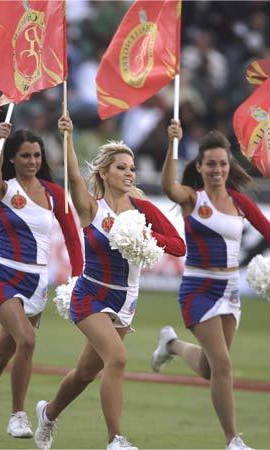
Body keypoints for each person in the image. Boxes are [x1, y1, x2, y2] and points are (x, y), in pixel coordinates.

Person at [33, 113, 186, 450]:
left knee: (86, 373)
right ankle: (115, 439)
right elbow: (73, 177)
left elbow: (178, 245)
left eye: (131, 168)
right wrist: (68, 137)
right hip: (90, 295)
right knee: (116, 358)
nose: (129, 173)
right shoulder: (92, 208)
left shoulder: (143, 209)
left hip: (125, 301)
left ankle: (48, 414)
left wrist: (147, 236)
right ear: (104, 173)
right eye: (121, 167)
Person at [0, 122, 83, 446]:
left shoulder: (54, 193)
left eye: (37, 155)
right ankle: (18, 415)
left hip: (37, 282)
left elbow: (72, 238)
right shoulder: (4, 188)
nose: (32, 161)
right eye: (25, 155)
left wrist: (78, 275)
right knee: (26, 341)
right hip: (4, 276)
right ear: (13, 158)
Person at [151, 119, 270, 450]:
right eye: (211, 164)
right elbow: (168, 188)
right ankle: (233, 439)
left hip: (230, 291)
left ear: (228, 166)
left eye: (222, 163)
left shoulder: (240, 203)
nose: (217, 169)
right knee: (223, 365)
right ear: (200, 166)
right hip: (198, 289)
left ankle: (171, 345)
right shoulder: (193, 198)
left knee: (208, 367)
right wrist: (172, 145)